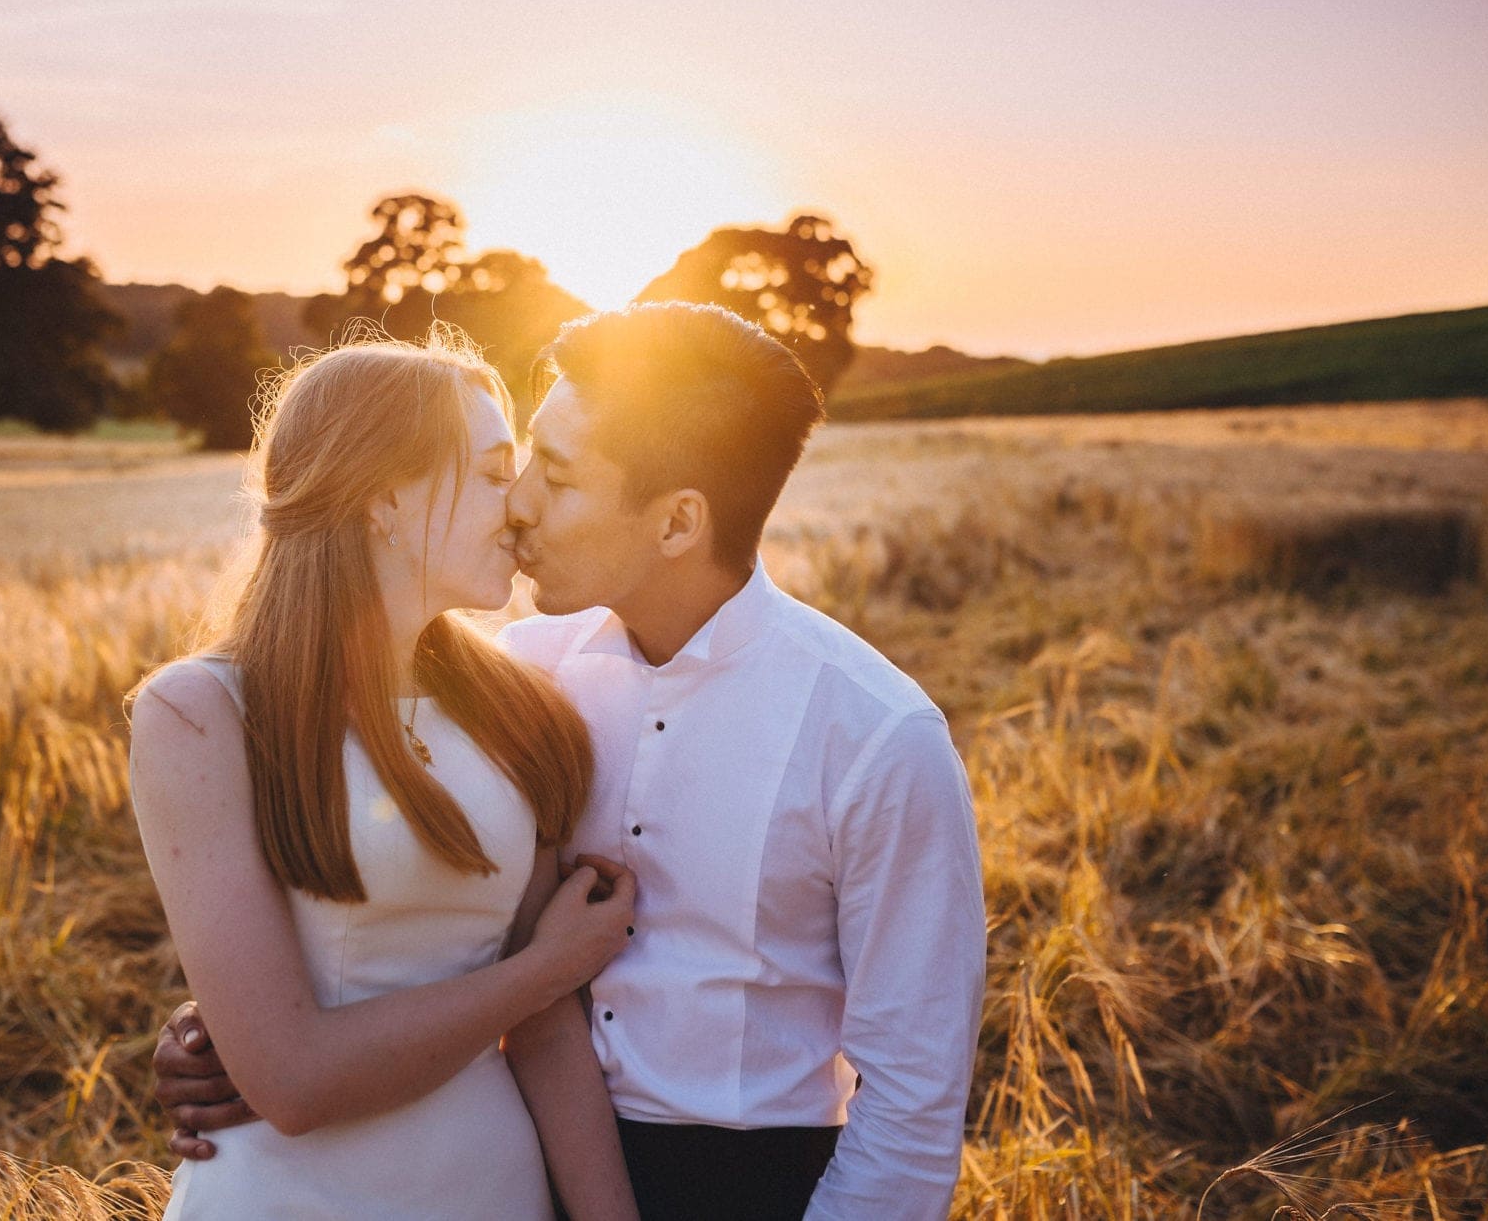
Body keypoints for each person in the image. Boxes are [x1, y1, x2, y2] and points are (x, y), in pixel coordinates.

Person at [158, 302, 989, 1220]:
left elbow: (913, 1100)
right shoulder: (522, 679)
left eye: (551, 474)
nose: (518, 506)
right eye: (510, 469)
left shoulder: (875, 736)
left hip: (760, 1185)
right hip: (530, 1155)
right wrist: (225, 1032)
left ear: (677, 523)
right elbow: (421, 938)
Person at [126, 328, 643, 1220]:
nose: (521, 505)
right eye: (490, 472)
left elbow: (551, 1043)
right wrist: (544, 969)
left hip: (492, 1190)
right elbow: (291, 1080)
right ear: (382, 499)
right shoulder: (201, 713)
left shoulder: (526, 713)